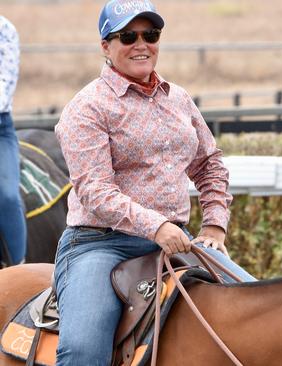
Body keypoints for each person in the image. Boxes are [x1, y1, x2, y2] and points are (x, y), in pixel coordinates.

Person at [53, 1, 255, 364]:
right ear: (105, 46)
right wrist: (156, 225)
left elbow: (209, 164)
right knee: (83, 351)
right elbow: (95, 191)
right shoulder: (87, 108)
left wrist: (214, 224)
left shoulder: (178, 99)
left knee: (262, 309)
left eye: (151, 34)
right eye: (127, 36)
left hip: (174, 240)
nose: (141, 44)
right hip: (102, 245)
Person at [0, 15, 26, 268]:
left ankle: (18, 266)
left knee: (7, 195)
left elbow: (3, 87)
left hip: (0, 127)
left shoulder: (4, 30)